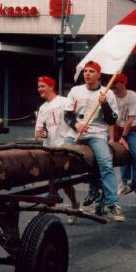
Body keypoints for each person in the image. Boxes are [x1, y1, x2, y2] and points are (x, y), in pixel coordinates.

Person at [63, 61, 125, 222]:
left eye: (91, 71)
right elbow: (67, 115)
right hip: (75, 134)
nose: (87, 74)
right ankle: (73, 203)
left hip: (97, 134)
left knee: (105, 163)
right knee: (60, 162)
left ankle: (113, 204)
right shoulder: (75, 91)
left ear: (98, 75)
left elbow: (112, 120)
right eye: (85, 71)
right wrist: (76, 125)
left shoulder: (107, 93)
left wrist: (104, 104)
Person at [35, 75, 79, 224]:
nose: (39, 89)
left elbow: (74, 121)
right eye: (39, 86)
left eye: (42, 86)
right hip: (49, 147)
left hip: (64, 145)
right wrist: (40, 133)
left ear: (51, 87)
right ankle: (53, 206)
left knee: (64, 179)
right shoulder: (42, 108)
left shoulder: (64, 102)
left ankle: (72, 205)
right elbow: (39, 130)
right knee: (54, 179)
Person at [109, 73, 136, 212]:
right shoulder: (110, 96)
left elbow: (130, 120)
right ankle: (123, 182)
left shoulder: (132, 96)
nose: (112, 86)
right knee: (116, 156)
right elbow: (110, 119)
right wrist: (112, 139)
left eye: (115, 83)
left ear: (123, 84)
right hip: (116, 129)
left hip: (130, 130)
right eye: (112, 84)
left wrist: (123, 137)